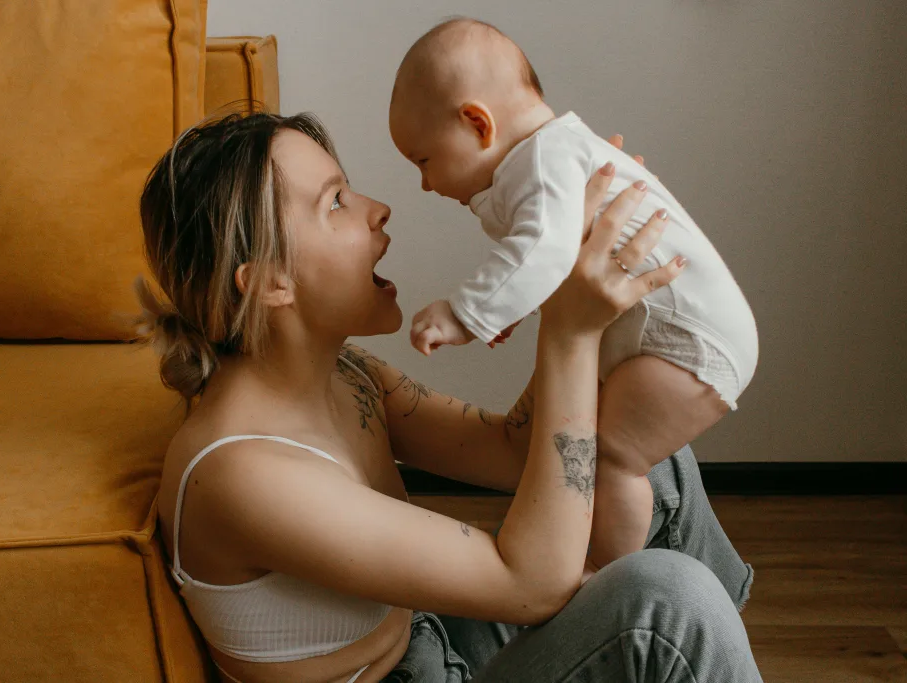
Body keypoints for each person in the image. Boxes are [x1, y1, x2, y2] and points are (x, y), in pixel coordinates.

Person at [136, 110, 760, 682]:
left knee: (641, 451)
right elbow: (533, 583)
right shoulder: (244, 473)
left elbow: (510, 448)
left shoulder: (350, 376)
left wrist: (562, 275)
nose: (378, 209)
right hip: (417, 669)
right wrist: (572, 334)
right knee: (671, 602)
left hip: (431, 643)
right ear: (269, 281)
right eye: (337, 203)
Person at [388, 18, 760, 569]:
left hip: (691, 338)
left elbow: (544, 248)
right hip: (672, 330)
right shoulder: (550, 155)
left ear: (477, 122)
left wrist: (465, 313)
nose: (424, 183)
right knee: (589, 442)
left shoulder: (543, 159)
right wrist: (515, 301)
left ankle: (609, 578)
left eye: (423, 160)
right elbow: (548, 259)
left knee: (611, 458)